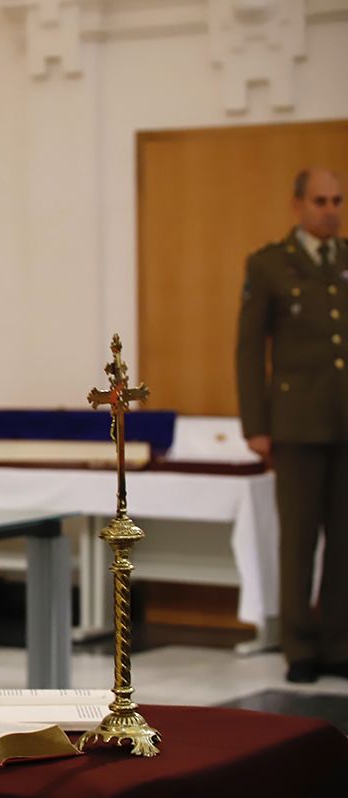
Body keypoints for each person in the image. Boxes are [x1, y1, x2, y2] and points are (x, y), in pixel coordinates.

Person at [236, 167, 347, 684]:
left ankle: (337, 641)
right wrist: (256, 424)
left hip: (344, 422)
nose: (330, 209)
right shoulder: (270, 265)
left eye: (337, 200)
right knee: (299, 538)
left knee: (343, 539)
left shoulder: (344, 261)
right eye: (320, 200)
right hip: (296, 424)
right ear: (297, 204)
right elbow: (249, 350)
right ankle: (299, 645)